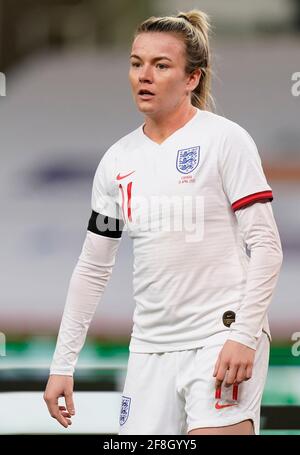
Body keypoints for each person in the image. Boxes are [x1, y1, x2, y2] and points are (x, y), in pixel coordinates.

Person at [44, 9, 283, 435]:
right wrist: (63, 364)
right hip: (149, 350)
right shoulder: (117, 161)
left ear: (192, 78)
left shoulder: (225, 140)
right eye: (136, 64)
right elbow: (93, 268)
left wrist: (244, 335)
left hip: (220, 336)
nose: (144, 76)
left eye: (161, 65)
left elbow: (266, 246)